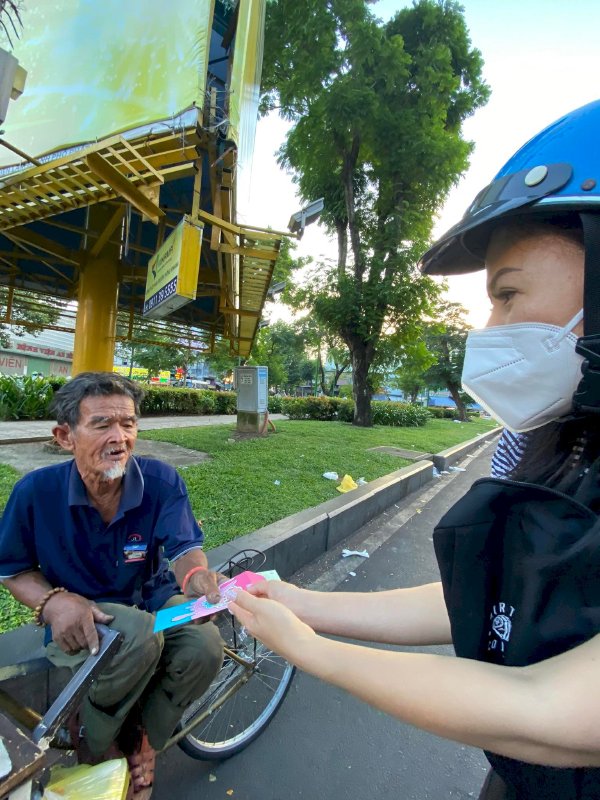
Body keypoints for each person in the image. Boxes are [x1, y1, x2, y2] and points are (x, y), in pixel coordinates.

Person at [228, 99, 600, 799]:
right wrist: (304, 602)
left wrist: (311, 649)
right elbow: (490, 597)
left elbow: (557, 709)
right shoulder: (556, 445)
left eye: (508, 295)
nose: (488, 330)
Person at [0, 372, 224, 800]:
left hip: (151, 598)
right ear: (65, 436)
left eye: (129, 424)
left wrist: (196, 579)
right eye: (102, 424)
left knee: (204, 645)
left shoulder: (161, 482)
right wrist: (53, 602)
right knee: (137, 637)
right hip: (80, 614)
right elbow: (12, 570)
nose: (120, 437)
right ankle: (97, 745)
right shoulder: (35, 493)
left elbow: (185, 549)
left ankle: (144, 742)